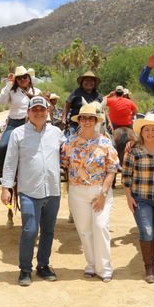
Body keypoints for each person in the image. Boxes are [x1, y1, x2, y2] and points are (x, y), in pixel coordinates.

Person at [1, 96, 65, 286]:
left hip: (53, 190)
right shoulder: (18, 134)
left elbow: (71, 150)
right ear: (28, 113)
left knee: (48, 231)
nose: (38, 112)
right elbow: (10, 161)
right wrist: (6, 188)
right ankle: (25, 269)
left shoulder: (57, 133)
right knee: (29, 230)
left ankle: (43, 265)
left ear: (47, 112)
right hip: (29, 190)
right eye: (34, 109)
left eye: (42, 109)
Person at [61, 104, 119, 282]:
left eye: (91, 118)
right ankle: (91, 265)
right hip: (77, 192)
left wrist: (103, 193)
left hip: (99, 191)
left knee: (100, 227)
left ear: (96, 121)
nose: (87, 121)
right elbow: (64, 165)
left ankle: (105, 268)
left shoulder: (105, 142)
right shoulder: (69, 143)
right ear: (79, 120)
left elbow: (112, 169)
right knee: (85, 231)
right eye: (83, 118)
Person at [122, 113, 154, 283]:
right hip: (140, 198)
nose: (150, 133)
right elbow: (126, 176)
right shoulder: (133, 150)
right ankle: (148, 267)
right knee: (147, 231)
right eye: (146, 130)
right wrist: (129, 197)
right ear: (141, 132)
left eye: (153, 129)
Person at [0, 66, 41, 184]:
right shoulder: (12, 91)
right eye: (19, 78)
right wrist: (8, 85)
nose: (22, 80)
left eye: (25, 77)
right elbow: (0, 101)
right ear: (16, 80)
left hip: (33, 124)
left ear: (29, 78)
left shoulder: (37, 92)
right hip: (14, 123)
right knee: (3, 146)